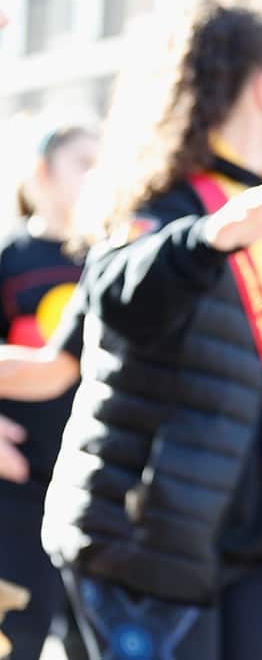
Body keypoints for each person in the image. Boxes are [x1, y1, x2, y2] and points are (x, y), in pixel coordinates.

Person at [8, 1, 262, 660]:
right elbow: (121, 296)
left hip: (251, 543)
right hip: (145, 543)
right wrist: (204, 240)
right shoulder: (165, 201)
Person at [0, 125, 97, 660]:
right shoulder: (10, 260)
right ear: (42, 174)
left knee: (89, 641)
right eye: (83, 163)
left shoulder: (107, 256)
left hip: (93, 483)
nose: (96, 175)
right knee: (18, 638)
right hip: (19, 487)